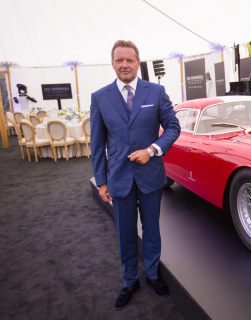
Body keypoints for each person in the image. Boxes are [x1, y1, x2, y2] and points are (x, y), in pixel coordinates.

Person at [90, 40, 181, 310]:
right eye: (120, 60)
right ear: (113, 64)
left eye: (129, 60)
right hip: (118, 179)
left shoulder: (155, 91)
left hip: (151, 176)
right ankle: (129, 280)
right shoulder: (100, 97)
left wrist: (152, 150)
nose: (125, 65)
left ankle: (153, 274)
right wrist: (101, 181)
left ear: (137, 63)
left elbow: (174, 127)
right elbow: (97, 144)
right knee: (125, 233)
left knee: (152, 230)